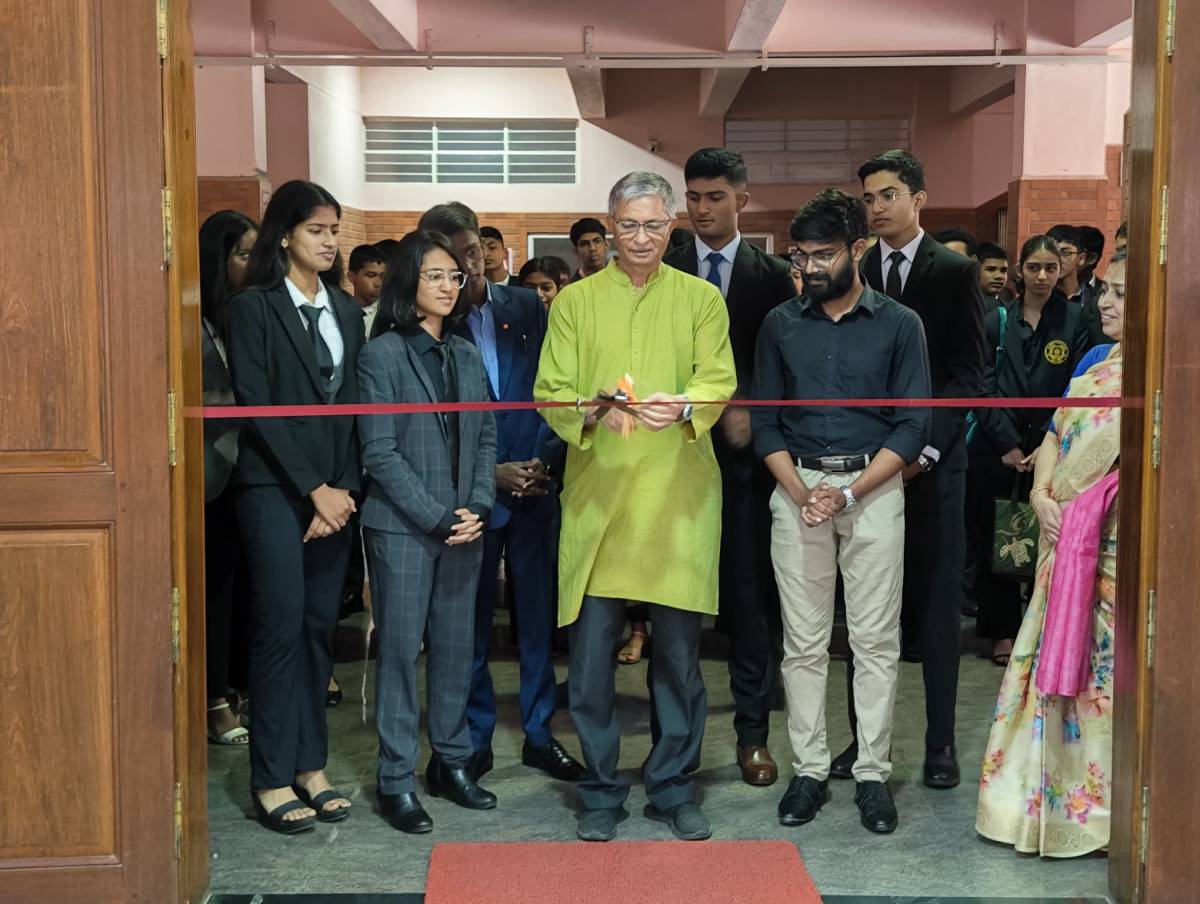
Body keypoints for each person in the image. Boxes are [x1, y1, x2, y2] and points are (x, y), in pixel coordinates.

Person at [535, 171, 736, 843]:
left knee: (678, 659)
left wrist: (684, 405)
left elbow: (718, 379)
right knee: (591, 661)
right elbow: (550, 388)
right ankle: (600, 787)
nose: (641, 238)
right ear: (609, 226)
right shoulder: (574, 302)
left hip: (678, 497)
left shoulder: (701, 299)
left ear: (672, 227)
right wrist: (590, 409)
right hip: (600, 499)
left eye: (653, 225)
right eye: (629, 225)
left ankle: (673, 784)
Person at [754, 188, 931, 834]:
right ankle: (808, 770)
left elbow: (913, 427)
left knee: (874, 639)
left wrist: (851, 493)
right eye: (799, 256)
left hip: (875, 487)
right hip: (796, 486)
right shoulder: (780, 324)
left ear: (859, 249)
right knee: (802, 642)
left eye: (823, 255)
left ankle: (872, 775)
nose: (808, 268)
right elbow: (765, 425)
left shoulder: (900, 324)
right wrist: (803, 493)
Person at [417, 202, 586, 785]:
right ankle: (475, 736)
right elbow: (431, 429)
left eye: (474, 251)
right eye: (454, 258)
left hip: (536, 486)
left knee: (538, 622)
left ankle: (540, 734)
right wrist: (491, 474)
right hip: (471, 499)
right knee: (470, 625)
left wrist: (543, 460)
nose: (470, 265)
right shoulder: (431, 325)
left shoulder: (526, 305)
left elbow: (555, 387)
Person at [846, 149, 987, 790]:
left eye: (889, 195)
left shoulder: (955, 271)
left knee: (934, 612)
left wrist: (923, 451)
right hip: (868, 468)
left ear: (918, 199)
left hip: (935, 467)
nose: (877, 208)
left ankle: (940, 744)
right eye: (869, 198)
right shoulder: (856, 270)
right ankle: (862, 742)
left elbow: (968, 378)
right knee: (866, 613)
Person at [226, 180, 364, 834]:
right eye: (317, 230)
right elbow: (257, 405)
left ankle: (312, 766)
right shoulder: (252, 308)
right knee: (279, 629)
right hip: (274, 491)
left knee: (316, 631)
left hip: (335, 496)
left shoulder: (346, 310)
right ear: (284, 235)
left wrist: (343, 489)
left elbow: (356, 406)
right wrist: (313, 489)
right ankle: (271, 776)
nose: (330, 242)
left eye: (334, 230)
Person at [976, 254, 1125, 857]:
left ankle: (1106, 812)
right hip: (1063, 542)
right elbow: (1056, 434)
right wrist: (1040, 494)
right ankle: (1042, 804)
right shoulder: (1096, 366)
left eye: (1121, 294)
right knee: (1047, 668)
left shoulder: (1170, 374)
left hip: (1115, 553)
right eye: (1106, 291)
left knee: (1107, 679)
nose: (1105, 303)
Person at [664, 147, 796, 787]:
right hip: (670, 460)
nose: (701, 209)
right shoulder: (662, 268)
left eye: (714, 197)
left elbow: (785, 366)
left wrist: (752, 410)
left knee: (748, 602)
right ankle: (674, 745)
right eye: (692, 197)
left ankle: (752, 737)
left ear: (741, 199)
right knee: (673, 609)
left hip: (747, 466)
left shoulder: (773, 277)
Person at [968, 235, 1095, 668]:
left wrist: (1047, 440)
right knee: (998, 536)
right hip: (997, 445)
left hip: (1054, 443)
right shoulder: (996, 319)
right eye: (1034, 267)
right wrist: (1006, 443)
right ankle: (1002, 631)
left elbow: (1080, 385)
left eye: (1051, 268)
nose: (1042, 276)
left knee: (1051, 537)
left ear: (1061, 270)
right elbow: (980, 386)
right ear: (1019, 270)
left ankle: (1046, 629)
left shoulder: (1077, 320)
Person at [199, 209, 257, 746]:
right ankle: (213, 699)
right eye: (243, 254)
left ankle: (238, 688)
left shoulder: (249, 313)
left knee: (246, 589)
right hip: (208, 476)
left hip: (252, 471)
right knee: (214, 590)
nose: (252, 264)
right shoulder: (189, 319)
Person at [348, 243, 387, 339]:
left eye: (382, 277)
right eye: (371, 275)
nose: (378, 283)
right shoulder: (339, 311)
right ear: (351, 276)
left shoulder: (388, 315)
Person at [569, 217, 610, 281]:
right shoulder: (572, 285)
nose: (592, 248)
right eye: (584, 244)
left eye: (597, 241)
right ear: (576, 251)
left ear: (606, 245)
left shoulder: (622, 278)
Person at [975, 241, 1011, 309]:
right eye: (991, 270)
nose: (999, 276)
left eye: (1003, 270)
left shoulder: (1010, 305)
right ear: (975, 270)